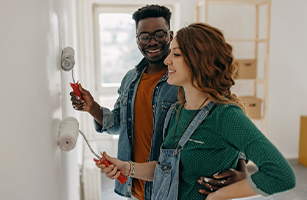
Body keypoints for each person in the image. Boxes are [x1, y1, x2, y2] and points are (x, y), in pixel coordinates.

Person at [95, 22, 296, 200]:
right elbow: (167, 169)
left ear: (198, 61)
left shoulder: (225, 115)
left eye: (177, 54)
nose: (167, 61)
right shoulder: (177, 111)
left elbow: (281, 175)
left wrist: (219, 196)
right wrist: (127, 167)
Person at [71, 5, 247, 200]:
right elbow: (119, 125)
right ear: (137, 40)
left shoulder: (185, 79)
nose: (152, 42)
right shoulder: (130, 79)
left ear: (170, 35)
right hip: (134, 182)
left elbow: (225, 122)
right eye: (144, 36)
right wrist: (92, 107)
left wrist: (242, 171)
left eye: (159, 35)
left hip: (174, 186)